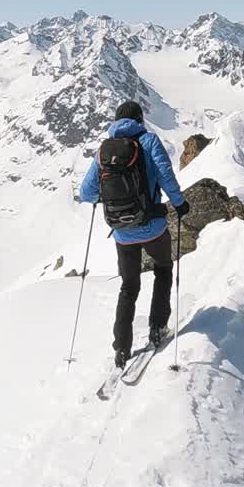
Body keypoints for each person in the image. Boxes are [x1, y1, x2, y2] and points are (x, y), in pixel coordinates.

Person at [79, 101, 190, 369]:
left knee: (128, 288)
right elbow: (166, 175)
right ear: (139, 120)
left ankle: (121, 348)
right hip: (153, 226)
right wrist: (179, 203)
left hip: (123, 233)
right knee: (163, 270)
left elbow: (86, 193)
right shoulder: (148, 141)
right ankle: (157, 327)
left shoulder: (104, 151)